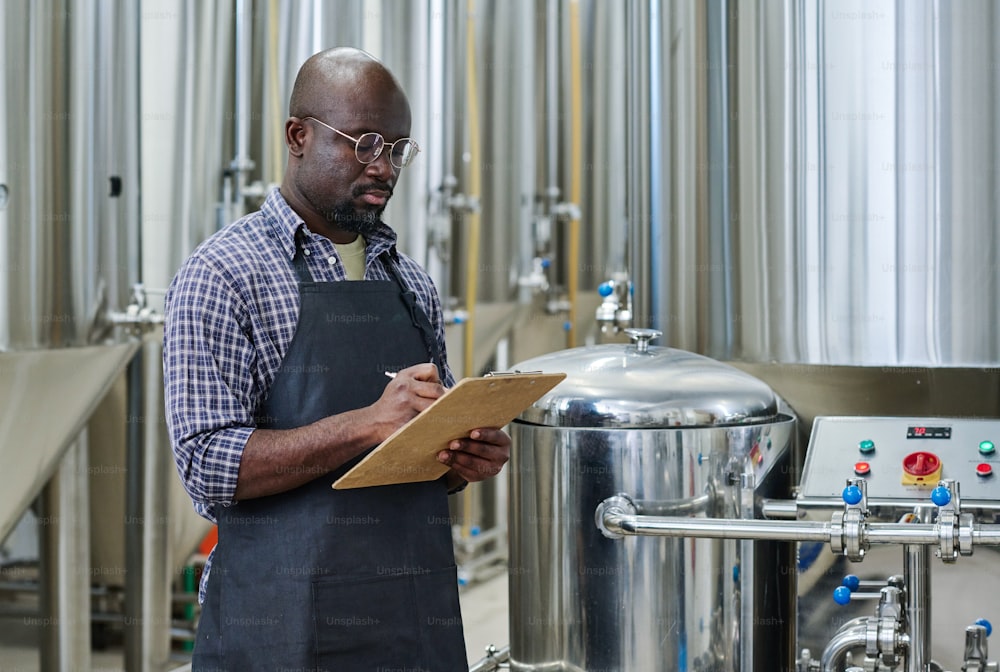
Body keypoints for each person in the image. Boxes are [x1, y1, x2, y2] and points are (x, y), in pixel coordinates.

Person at [163, 47, 511, 670]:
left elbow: (424, 445)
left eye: (399, 149)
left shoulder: (409, 282)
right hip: (276, 626)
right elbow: (208, 465)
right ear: (299, 136)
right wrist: (366, 424)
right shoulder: (224, 273)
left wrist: (465, 457)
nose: (384, 167)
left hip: (409, 617)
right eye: (366, 142)